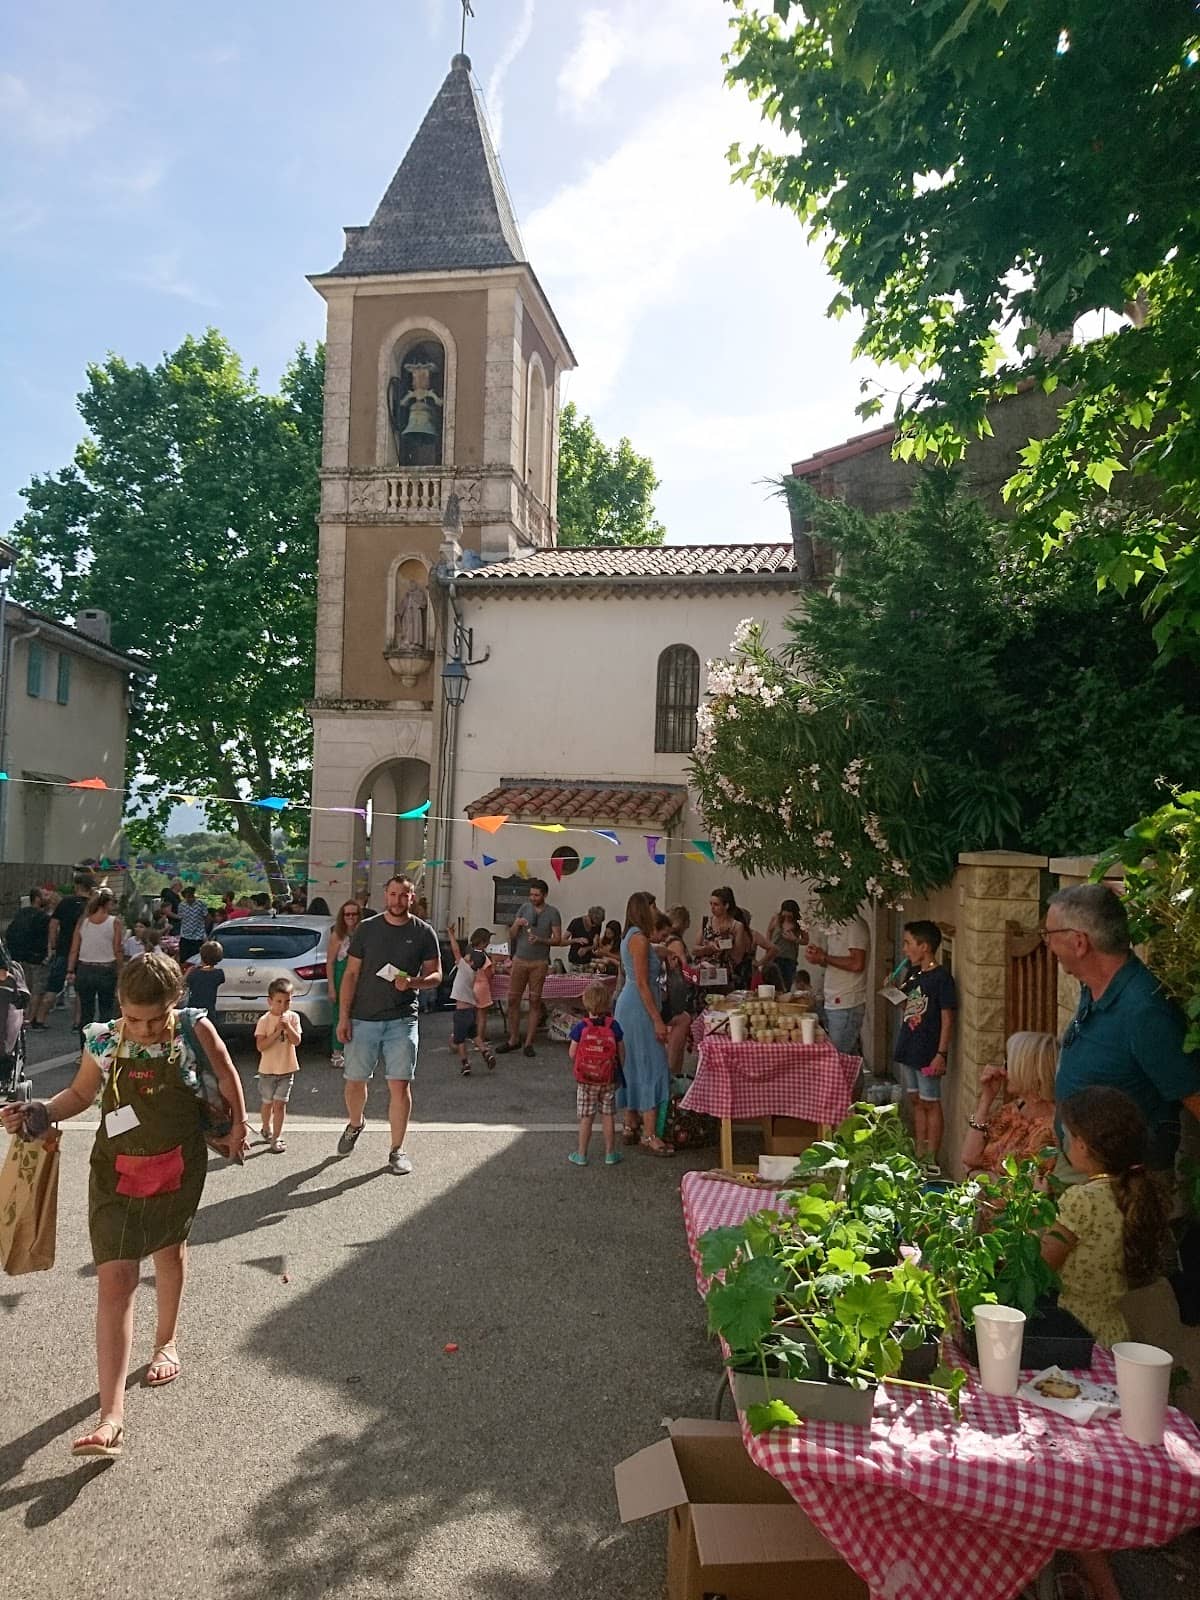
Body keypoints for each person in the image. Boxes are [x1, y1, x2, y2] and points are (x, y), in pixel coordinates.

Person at [0, 952, 251, 1459]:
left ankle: (166, 1341)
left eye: (155, 1018)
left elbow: (225, 1078)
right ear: (121, 1006)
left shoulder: (192, 1030)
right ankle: (111, 1417)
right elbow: (79, 1095)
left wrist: (238, 1126)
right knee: (116, 1279)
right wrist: (42, 1110)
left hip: (176, 1162)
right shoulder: (104, 1038)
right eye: (134, 1018)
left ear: (173, 1004)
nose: (144, 1029)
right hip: (114, 1170)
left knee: (167, 1250)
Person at [1048, 883, 1200, 1174]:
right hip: (1081, 1171)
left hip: (1118, 1190)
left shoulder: (1144, 1011)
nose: (1048, 945)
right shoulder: (1093, 990)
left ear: (1080, 943)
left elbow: (1193, 1095)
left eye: (1050, 935)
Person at [1041, 1086, 1170, 1347]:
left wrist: (1036, 1208)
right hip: (1112, 1332)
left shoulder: (1082, 1200)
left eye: (1066, 1136)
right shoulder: (1135, 1193)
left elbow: (1042, 1266)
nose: (1064, 1144)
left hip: (1071, 1331)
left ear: (1082, 1146)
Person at [335, 874, 441, 1175]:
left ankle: (397, 1150)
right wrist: (343, 1017)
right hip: (363, 1017)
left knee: (399, 1083)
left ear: (412, 897)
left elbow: (437, 976)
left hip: (402, 1019)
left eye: (403, 895)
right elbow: (351, 975)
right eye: (393, 894)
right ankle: (356, 1123)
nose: (397, 900)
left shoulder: (424, 933)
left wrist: (414, 982)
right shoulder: (367, 929)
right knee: (355, 1080)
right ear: (385, 896)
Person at [893, 919, 956, 1170]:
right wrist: (893, 991)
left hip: (929, 1051)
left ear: (925, 947)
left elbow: (947, 1017)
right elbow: (908, 1006)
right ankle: (919, 1151)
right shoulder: (913, 974)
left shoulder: (941, 979)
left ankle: (932, 1158)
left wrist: (941, 1053)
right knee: (917, 1100)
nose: (905, 949)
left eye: (909, 943)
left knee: (931, 1101)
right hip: (909, 1046)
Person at [615, 891, 672, 1156]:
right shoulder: (638, 939)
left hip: (629, 1005)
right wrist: (658, 1020)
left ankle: (630, 1123)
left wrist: (667, 951)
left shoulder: (633, 936)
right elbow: (642, 983)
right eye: (653, 906)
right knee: (652, 1063)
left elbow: (649, 951)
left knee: (632, 1062)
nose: (656, 910)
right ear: (643, 909)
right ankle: (649, 1134)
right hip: (639, 1007)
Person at [961, 1032, 1058, 1177]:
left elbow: (1023, 1190)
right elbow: (969, 1157)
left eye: (1008, 1064)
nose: (1003, 1071)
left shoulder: (1050, 1130)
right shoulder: (1014, 1110)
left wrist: (975, 1175)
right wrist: (986, 1100)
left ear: (1026, 1070)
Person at [496, 879, 562, 1059]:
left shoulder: (553, 913)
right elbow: (511, 935)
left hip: (539, 962)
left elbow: (558, 939)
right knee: (512, 999)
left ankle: (529, 1043)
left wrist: (541, 940)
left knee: (534, 1001)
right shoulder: (524, 908)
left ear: (544, 895)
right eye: (531, 894)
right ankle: (513, 1039)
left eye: (537, 895)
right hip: (519, 959)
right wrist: (516, 924)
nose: (533, 898)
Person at [568, 980, 625, 1167]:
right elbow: (621, 1051)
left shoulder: (581, 1027)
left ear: (586, 1003)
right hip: (608, 1078)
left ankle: (581, 1153)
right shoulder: (613, 1026)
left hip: (586, 1080)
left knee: (587, 1117)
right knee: (608, 1115)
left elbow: (572, 1053)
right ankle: (610, 1153)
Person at [807, 911, 869, 1056]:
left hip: (846, 1002)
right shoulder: (836, 924)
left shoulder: (854, 925)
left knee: (839, 1057)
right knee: (849, 1057)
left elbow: (857, 964)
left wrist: (824, 957)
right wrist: (819, 957)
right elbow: (834, 962)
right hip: (833, 1000)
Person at [255, 978, 302, 1153]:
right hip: (267, 1071)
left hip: (287, 1069)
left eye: (287, 1001)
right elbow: (261, 1046)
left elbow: (296, 1041)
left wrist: (288, 1027)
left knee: (280, 1104)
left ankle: (276, 1137)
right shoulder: (264, 1020)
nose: (283, 1006)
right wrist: (276, 1033)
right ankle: (266, 1126)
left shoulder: (293, 1018)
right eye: (279, 1001)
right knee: (267, 1103)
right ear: (270, 1001)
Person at [39, 871, 92, 1025]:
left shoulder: (66, 902)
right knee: (80, 991)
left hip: (63, 950)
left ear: (77, 886)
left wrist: (54, 944)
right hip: (84, 952)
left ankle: (39, 1019)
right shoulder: (91, 906)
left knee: (53, 986)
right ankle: (78, 1022)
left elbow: (53, 924)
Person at [68, 887, 124, 1033]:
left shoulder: (83, 922)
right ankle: (104, 1049)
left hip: (85, 969)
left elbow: (74, 948)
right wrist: (121, 970)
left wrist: (70, 970)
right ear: (107, 903)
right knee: (106, 1012)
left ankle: (84, 1049)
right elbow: (117, 949)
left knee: (86, 1013)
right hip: (106, 969)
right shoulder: (114, 922)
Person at [447, 926, 496, 1074]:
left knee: (460, 1040)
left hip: (461, 1012)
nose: (465, 956)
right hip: (470, 1011)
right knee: (474, 1035)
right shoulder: (473, 973)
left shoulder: (464, 968)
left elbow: (455, 951)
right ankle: (485, 1052)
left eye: (468, 956)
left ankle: (465, 1064)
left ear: (471, 961)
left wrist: (451, 935)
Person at [661, 907, 697, 1078]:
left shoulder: (666, 939)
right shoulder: (676, 942)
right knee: (681, 1026)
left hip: (669, 991)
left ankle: (675, 1073)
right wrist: (698, 972)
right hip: (676, 993)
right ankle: (674, 1074)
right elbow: (684, 968)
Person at [6, 888, 50, 1028]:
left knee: (24, 986)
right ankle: (31, 1019)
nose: (47, 897)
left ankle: (22, 1015)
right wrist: (45, 954)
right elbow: (45, 938)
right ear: (37, 898)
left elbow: (11, 932)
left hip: (20, 956)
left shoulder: (21, 913)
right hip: (37, 957)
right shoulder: (42, 917)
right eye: (44, 895)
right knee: (37, 988)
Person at [326, 900, 362, 1070]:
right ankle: (337, 1052)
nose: (350, 917)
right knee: (339, 1015)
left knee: (357, 1015)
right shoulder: (337, 935)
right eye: (347, 914)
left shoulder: (362, 934)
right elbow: (330, 963)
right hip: (341, 976)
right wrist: (332, 987)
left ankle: (353, 1050)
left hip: (359, 978)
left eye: (354, 914)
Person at [695, 887, 753, 990]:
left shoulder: (736, 926)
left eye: (716, 905)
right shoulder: (706, 922)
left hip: (725, 974)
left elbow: (737, 957)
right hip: (705, 972)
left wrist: (725, 941)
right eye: (711, 904)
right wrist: (708, 948)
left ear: (726, 906)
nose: (712, 908)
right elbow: (695, 949)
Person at [183, 940, 225, 1022]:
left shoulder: (194, 973)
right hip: (209, 1010)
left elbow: (183, 982)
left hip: (192, 1010)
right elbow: (221, 980)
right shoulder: (218, 973)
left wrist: (189, 971)